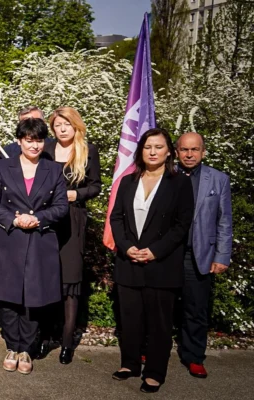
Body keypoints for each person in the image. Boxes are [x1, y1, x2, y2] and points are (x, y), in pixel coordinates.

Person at [0, 118, 69, 375]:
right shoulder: (3, 167)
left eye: (39, 140)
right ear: (19, 141)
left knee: (34, 297)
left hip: (40, 241)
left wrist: (39, 218)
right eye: (29, 140)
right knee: (8, 297)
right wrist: (13, 219)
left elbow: (62, 207)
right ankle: (12, 346)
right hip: (8, 240)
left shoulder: (53, 170)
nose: (34, 145)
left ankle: (26, 350)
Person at [109, 128, 193, 393]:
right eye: (148, 147)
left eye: (158, 147)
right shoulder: (127, 181)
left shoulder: (179, 182)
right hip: (129, 261)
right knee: (130, 318)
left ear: (169, 151)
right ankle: (130, 364)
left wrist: (155, 250)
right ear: (141, 151)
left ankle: (155, 372)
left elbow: (182, 225)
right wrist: (126, 246)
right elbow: (117, 218)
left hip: (162, 264)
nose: (153, 151)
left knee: (159, 323)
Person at [39, 107, 101, 364]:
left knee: (70, 283)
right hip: (46, 220)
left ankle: (66, 343)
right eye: (57, 125)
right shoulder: (46, 150)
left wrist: (77, 194)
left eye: (66, 124)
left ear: (76, 126)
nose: (62, 129)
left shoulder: (88, 151)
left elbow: (96, 185)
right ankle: (44, 338)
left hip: (73, 219)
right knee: (45, 280)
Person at [174, 132, 232, 379]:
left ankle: (194, 356)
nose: (189, 154)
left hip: (199, 254)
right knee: (159, 305)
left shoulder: (218, 179)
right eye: (184, 150)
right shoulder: (166, 174)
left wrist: (222, 255)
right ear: (176, 152)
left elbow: (224, 220)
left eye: (194, 150)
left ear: (203, 152)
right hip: (166, 253)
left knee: (195, 309)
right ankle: (150, 349)